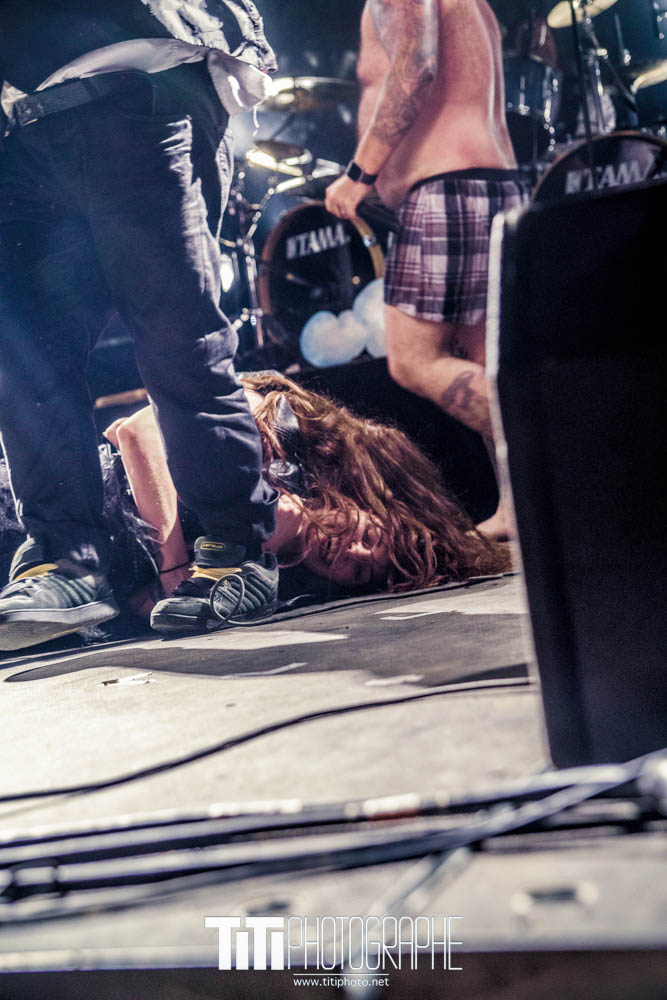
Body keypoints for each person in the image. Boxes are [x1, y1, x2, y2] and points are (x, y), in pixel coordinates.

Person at [0, 1, 280, 652]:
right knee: (24, 357)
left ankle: (234, 546)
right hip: (19, 125)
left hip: (138, 86)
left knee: (175, 333)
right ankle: (67, 558)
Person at [0, 372, 510, 637]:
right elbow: (137, 432)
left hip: (46, 574)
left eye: (356, 574)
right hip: (37, 513)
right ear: (369, 502)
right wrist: (174, 572)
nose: (349, 553)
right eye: (368, 538)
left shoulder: (272, 571)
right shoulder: (284, 427)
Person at [325, 0, 527, 541]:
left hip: (445, 187)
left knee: (414, 361)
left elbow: (415, 67)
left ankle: (559, 452)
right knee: (489, 360)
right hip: (490, 181)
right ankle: (520, 506)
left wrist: (358, 174)